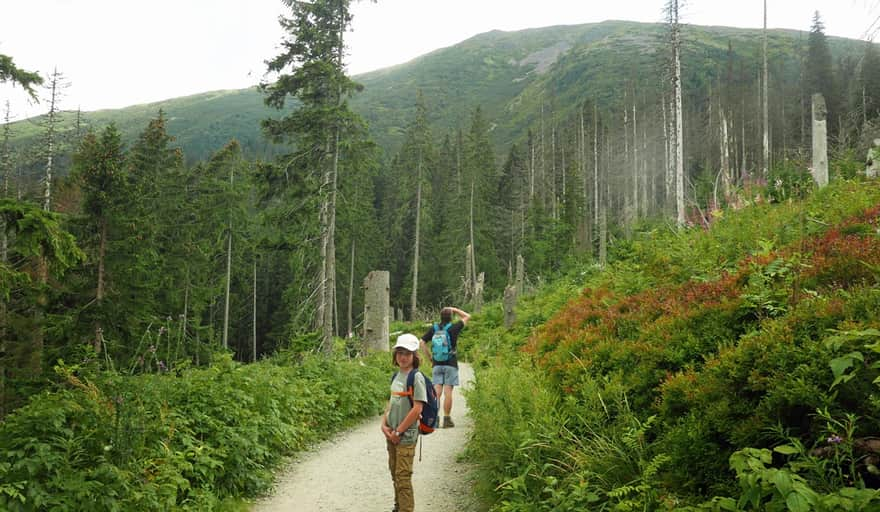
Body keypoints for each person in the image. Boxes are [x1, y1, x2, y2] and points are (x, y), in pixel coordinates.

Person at [381, 333, 426, 512]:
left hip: (405, 437)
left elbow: (417, 409)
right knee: (395, 474)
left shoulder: (416, 377)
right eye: (399, 352)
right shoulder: (396, 376)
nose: (402, 357)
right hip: (392, 435)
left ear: (414, 356)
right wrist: (384, 424)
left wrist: (398, 432)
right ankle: (398, 506)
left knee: (403, 478)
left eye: (407, 353)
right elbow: (391, 403)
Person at [421, 306, 470, 428]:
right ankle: (447, 419)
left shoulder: (434, 329)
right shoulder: (454, 328)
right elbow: (467, 316)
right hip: (451, 363)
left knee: (437, 393)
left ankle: (435, 420)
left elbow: (421, 342)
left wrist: (430, 357)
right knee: (448, 392)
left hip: (436, 363)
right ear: (451, 317)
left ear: (440, 316)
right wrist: (455, 309)